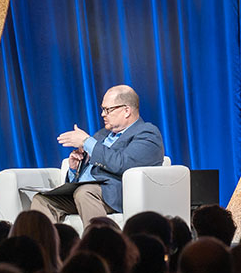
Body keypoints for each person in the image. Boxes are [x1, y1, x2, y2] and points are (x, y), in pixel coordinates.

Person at [31, 85, 165, 225]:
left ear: (126, 111)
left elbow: (122, 163)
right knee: (42, 200)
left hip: (116, 193)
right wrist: (74, 169)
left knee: (85, 192)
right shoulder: (101, 135)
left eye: (108, 110)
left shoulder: (147, 133)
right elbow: (88, 172)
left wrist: (86, 141)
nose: (103, 114)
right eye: (102, 109)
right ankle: (46, 245)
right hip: (84, 191)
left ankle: (99, 244)